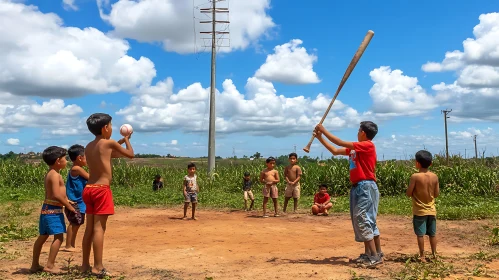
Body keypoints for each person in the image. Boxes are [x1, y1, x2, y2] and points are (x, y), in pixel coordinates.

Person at [314, 121, 383, 268]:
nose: (357, 133)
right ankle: (371, 254)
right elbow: (334, 150)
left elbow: (338, 142)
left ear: (363, 133)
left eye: (359, 130)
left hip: (366, 186)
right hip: (358, 187)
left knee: (363, 218)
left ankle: (374, 256)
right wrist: (320, 138)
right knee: (366, 219)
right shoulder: (354, 150)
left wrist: (323, 129)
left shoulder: (367, 145)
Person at [80, 113, 134, 277]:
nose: (111, 128)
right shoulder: (109, 143)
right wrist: (126, 140)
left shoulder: (89, 146)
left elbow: (111, 151)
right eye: (110, 125)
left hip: (88, 189)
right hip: (102, 190)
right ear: (105, 128)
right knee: (99, 229)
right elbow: (130, 154)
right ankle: (98, 267)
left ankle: (84, 265)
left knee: (89, 228)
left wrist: (119, 142)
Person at [31, 146, 76, 274]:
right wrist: (68, 206)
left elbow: (57, 193)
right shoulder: (55, 175)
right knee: (59, 237)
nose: (66, 161)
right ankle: (50, 265)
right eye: (65, 158)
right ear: (58, 161)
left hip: (47, 209)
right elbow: (56, 194)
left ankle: (35, 265)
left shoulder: (51, 173)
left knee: (43, 236)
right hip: (53, 210)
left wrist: (67, 200)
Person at [406, 150, 440, 262]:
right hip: (432, 210)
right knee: (432, 234)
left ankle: (422, 256)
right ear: (431, 163)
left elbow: (409, 193)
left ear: (417, 163)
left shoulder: (415, 177)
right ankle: (434, 254)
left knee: (420, 234)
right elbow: (436, 194)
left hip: (419, 211)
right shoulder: (434, 176)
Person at [63, 144, 89, 252]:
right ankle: (68, 245)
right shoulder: (77, 169)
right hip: (75, 202)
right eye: (86, 157)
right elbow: (91, 178)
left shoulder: (77, 168)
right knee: (74, 224)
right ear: (79, 158)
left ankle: (71, 244)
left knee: (77, 223)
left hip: (79, 202)